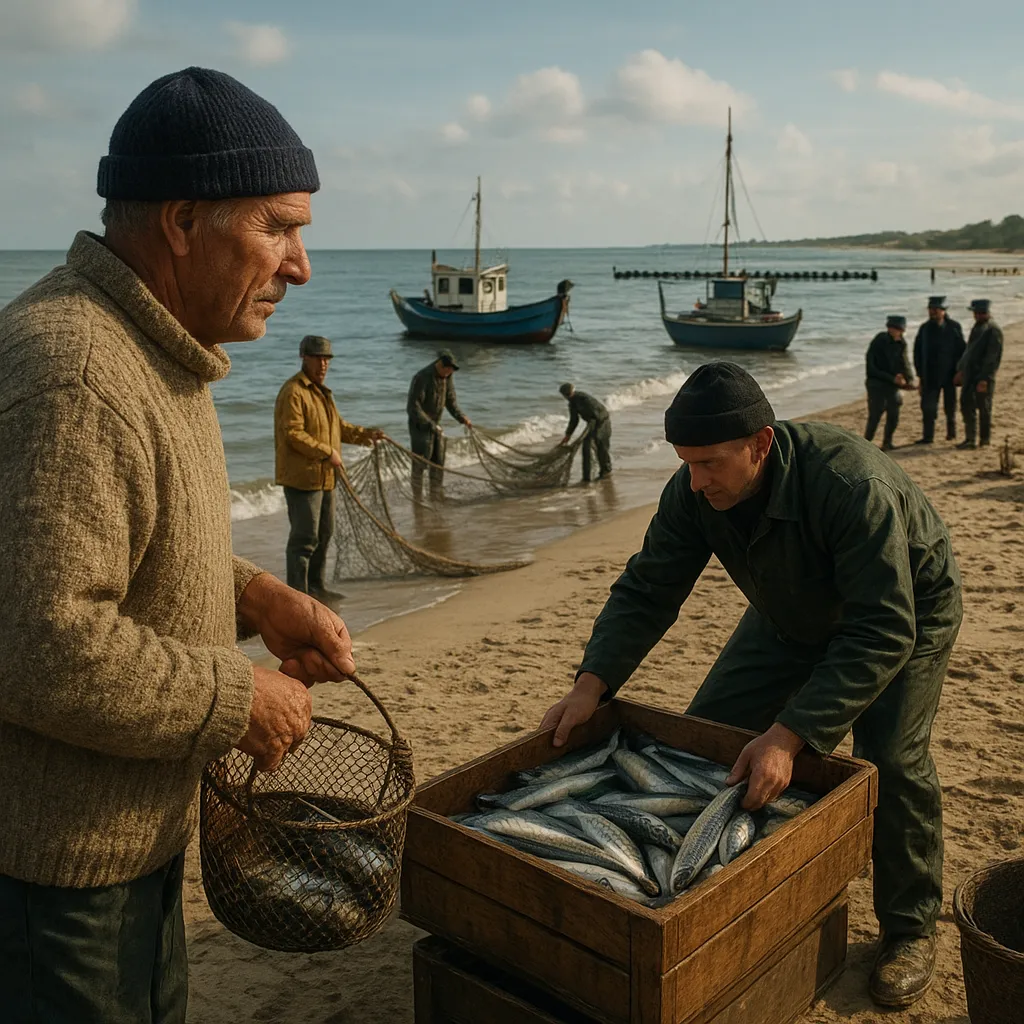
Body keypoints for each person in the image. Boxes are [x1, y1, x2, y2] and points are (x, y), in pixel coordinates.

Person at [0, 67, 359, 1023]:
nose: (300, 266)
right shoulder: (78, 372)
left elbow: (123, 546)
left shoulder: (156, 349)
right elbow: (40, 644)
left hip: (129, 845)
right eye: (279, 228)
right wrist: (239, 698)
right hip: (54, 882)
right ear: (184, 220)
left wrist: (251, 594)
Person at [540, 363, 961, 1009]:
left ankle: (909, 930)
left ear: (761, 444)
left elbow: (882, 628)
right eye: (685, 463)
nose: (696, 480)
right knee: (709, 743)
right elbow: (649, 588)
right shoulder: (694, 490)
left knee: (892, 761)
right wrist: (590, 685)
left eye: (710, 463)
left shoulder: (852, 485)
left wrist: (790, 736)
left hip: (903, 615)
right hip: (787, 611)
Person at [275, 334, 383, 599]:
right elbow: (293, 434)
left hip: (326, 478)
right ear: (304, 358)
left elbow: (338, 428)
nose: (323, 364)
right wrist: (327, 453)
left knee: (324, 535)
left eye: (326, 359)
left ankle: (316, 587)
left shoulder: (323, 394)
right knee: (304, 539)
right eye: (317, 358)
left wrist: (366, 434)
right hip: (302, 480)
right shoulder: (293, 391)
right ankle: (298, 595)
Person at [407, 348, 472, 496]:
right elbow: (413, 407)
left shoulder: (447, 376)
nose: (449, 374)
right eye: (447, 370)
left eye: (451, 372)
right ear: (440, 365)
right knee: (420, 462)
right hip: (419, 426)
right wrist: (430, 425)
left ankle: (435, 495)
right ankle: (417, 497)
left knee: (438, 461)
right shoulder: (422, 377)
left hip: (436, 425)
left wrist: (462, 418)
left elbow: (450, 401)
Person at [913, 296, 965, 444]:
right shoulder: (924, 329)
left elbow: (962, 350)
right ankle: (928, 437)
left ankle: (951, 434)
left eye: (936, 309)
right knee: (928, 408)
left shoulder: (954, 327)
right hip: (930, 376)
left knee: (950, 407)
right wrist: (920, 375)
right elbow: (917, 352)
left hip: (950, 374)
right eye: (931, 309)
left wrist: (960, 371)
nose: (932, 312)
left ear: (943, 311)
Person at [954, 299, 1003, 450]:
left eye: (979, 313)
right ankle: (970, 439)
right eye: (975, 313)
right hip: (970, 374)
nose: (976, 315)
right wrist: (961, 370)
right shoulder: (977, 327)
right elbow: (969, 352)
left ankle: (984, 440)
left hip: (983, 376)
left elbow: (992, 358)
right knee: (967, 405)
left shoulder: (993, 330)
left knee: (984, 407)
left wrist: (984, 379)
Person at [865, 315, 915, 451]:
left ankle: (887, 442)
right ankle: (866, 443)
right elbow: (871, 368)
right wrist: (892, 378)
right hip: (876, 383)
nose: (893, 331)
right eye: (891, 328)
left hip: (893, 385)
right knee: (875, 414)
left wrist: (909, 380)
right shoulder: (879, 340)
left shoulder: (902, 343)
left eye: (897, 329)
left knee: (894, 413)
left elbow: (904, 362)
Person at [558, 382, 612, 482]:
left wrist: (593, 426)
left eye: (568, 394)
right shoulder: (572, 403)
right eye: (566, 395)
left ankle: (606, 471)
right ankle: (587, 477)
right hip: (592, 424)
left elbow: (597, 413)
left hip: (602, 422)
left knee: (601, 445)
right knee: (586, 446)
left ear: (572, 391)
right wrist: (568, 435)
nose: (567, 396)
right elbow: (574, 420)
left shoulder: (584, 399)